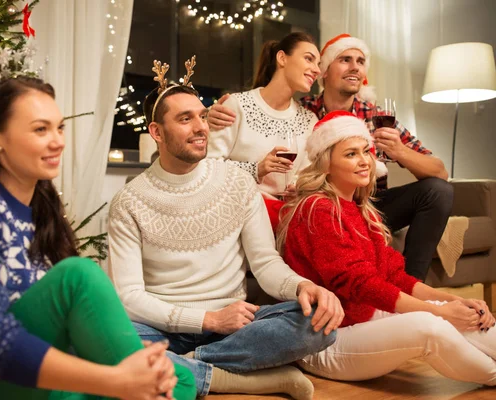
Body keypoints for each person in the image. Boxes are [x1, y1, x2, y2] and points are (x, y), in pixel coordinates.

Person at [0, 75, 196, 400]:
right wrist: (116, 381)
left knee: (177, 377)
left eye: (59, 128)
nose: (57, 141)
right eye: (40, 129)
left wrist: (132, 361)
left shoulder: (42, 206)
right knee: (79, 276)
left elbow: (61, 324)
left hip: (24, 378)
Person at [107, 58, 344, 400]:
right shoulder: (129, 201)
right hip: (162, 327)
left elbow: (264, 263)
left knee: (318, 321)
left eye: (202, 116)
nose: (201, 127)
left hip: (235, 327)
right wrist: (208, 320)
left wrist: (303, 286)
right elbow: (129, 298)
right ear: (157, 132)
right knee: (109, 338)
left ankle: (184, 367)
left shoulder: (236, 180)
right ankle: (233, 378)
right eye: (184, 119)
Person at [269, 110, 496, 385]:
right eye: (351, 154)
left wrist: (456, 303)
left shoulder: (361, 209)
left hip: (363, 320)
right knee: (429, 323)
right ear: (327, 164)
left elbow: (394, 276)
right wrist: (440, 312)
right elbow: (361, 284)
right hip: (323, 340)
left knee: (447, 311)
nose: (364, 161)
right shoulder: (317, 209)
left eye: (366, 151)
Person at [209, 33, 453, 281]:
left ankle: (411, 286)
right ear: (324, 72)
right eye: (345, 59)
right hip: (325, 205)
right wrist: (206, 114)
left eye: (360, 61)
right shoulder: (307, 110)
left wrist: (399, 150)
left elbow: (440, 171)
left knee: (438, 190)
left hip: (370, 204)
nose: (355, 67)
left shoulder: (376, 117)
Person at [206, 32, 320, 198]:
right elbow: (209, 165)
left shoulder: (309, 120)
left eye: (318, 64)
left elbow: (306, 176)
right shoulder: (236, 105)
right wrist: (256, 169)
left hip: (284, 215)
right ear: (282, 58)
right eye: (309, 59)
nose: (316, 70)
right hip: (238, 209)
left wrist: (299, 189)